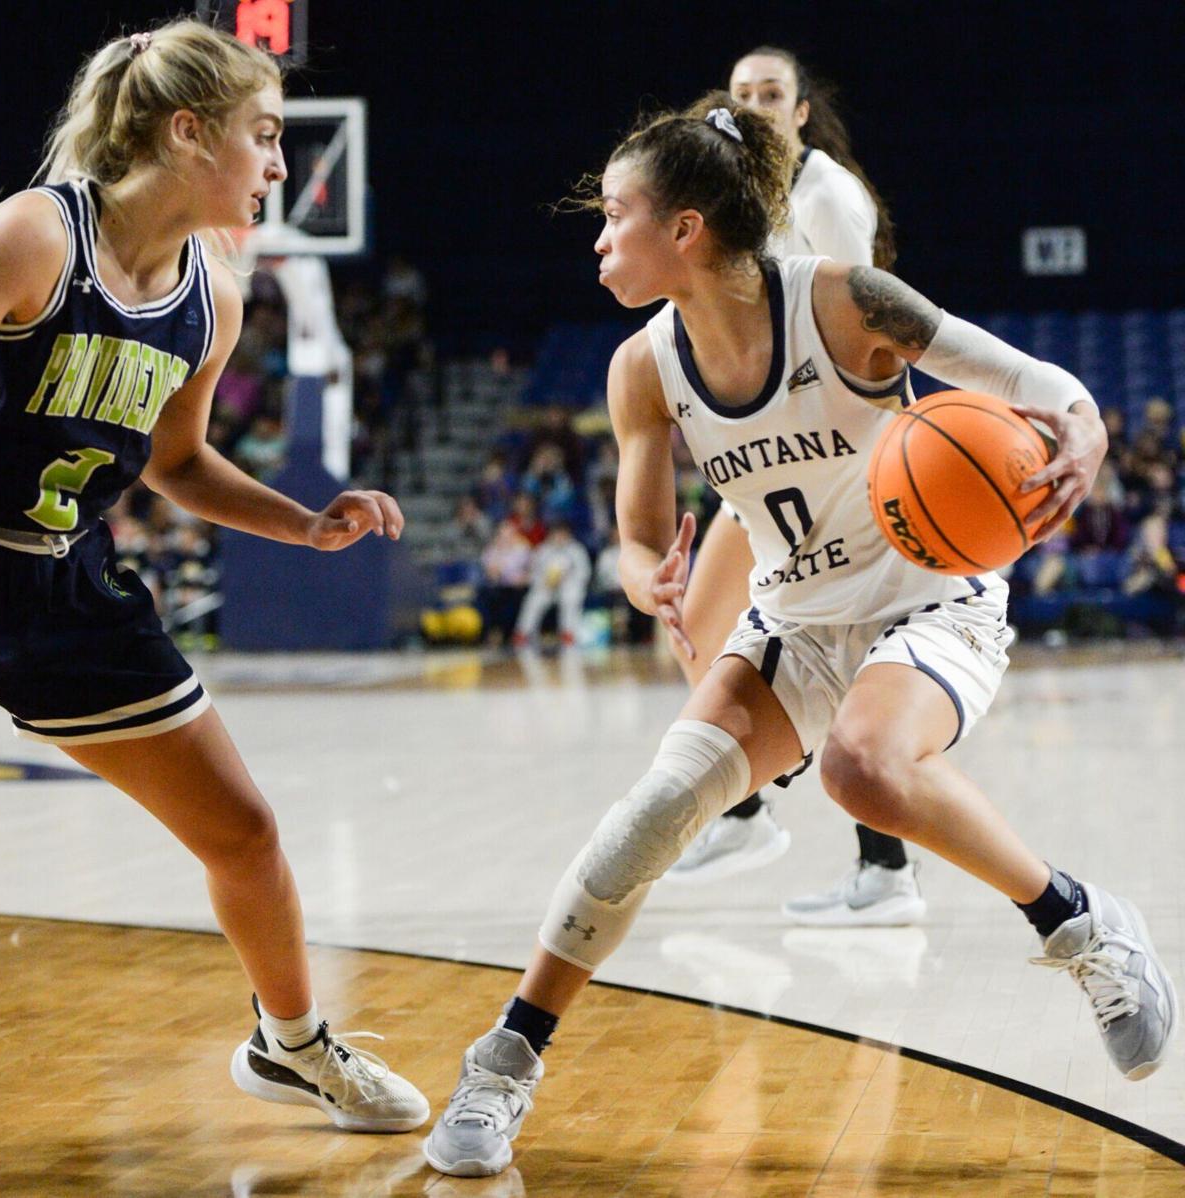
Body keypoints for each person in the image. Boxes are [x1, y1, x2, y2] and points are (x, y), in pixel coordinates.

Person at [422, 95, 1176, 1178]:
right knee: (647, 819)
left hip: (933, 594)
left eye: (616, 213)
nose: (595, 237)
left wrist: (1085, 424)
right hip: (796, 620)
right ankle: (501, 1066)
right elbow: (637, 539)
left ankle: (1084, 925)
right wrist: (652, 580)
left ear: (685, 229)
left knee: (863, 768)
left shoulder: (839, 300)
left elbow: (1023, 378)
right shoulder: (643, 367)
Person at [0, 21, 428, 1132]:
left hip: (62, 586)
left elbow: (176, 461)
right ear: (189, 134)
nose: (283, 165)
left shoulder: (211, 299)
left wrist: (301, 522)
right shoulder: (34, 237)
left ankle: (291, 1046)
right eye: (265, 137)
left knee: (244, 834)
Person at [665, 46, 919, 926]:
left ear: (802, 111)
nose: (756, 106)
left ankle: (883, 869)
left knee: (840, 658)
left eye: (772, 94)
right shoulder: (744, 201)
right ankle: (746, 810)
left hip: (837, 462)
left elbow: (865, 324)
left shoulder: (825, 196)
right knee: (696, 632)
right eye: (741, 94)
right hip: (766, 461)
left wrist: (878, 460)